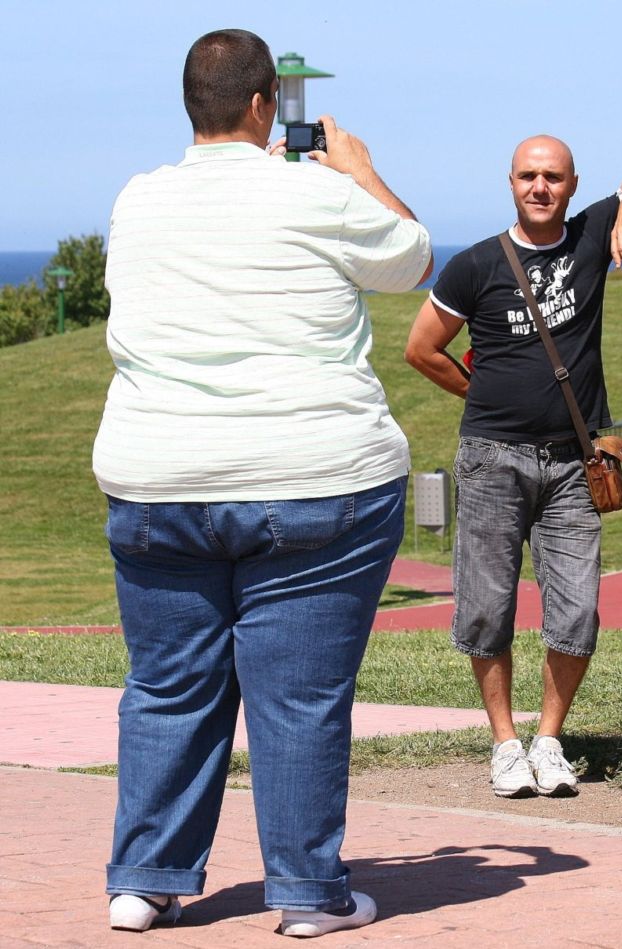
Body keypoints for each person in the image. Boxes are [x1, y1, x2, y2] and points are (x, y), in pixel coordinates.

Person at [93, 29, 431, 938]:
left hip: (157, 478)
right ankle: (306, 894)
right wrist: (356, 170)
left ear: (191, 106)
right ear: (260, 105)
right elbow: (412, 259)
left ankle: (146, 880)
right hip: (315, 477)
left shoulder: (137, 201)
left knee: (168, 684)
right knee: (299, 696)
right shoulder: (316, 191)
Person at [405, 136, 622, 798]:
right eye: (528, 176)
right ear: (511, 182)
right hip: (492, 460)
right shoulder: (475, 266)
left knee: (577, 610)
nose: (540, 187)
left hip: (575, 465)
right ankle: (504, 744)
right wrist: (480, 391)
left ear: (574, 185)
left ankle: (549, 740)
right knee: (487, 608)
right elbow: (422, 347)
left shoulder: (591, 237)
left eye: (553, 177)